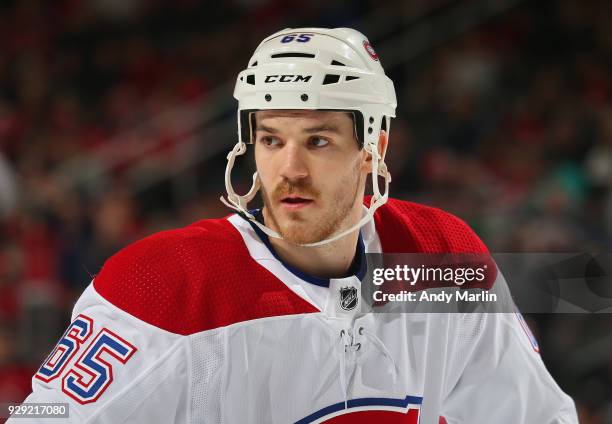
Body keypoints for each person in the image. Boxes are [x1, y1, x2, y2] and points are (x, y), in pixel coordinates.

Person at [11, 27, 577, 424]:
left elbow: (531, 414)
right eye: (271, 140)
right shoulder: (164, 284)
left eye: (318, 141)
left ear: (373, 148)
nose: (290, 170)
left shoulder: (438, 258)